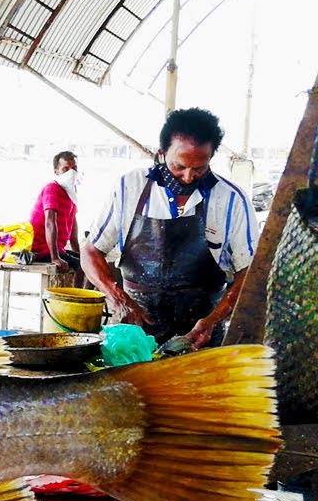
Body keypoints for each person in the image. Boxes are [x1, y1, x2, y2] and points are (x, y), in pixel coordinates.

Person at [81, 108, 257, 347]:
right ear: (162, 154)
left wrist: (214, 320)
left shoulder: (232, 199)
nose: (188, 177)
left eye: (199, 169)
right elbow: (91, 251)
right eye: (179, 166)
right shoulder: (128, 187)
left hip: (200, 337)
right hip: (133, 334)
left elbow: (250, 273)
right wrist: (118, 299)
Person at [29, 150, 83, 286]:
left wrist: (77, 251)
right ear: (56, 171)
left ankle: (79, 296)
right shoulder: (52, 188)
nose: (71, 172)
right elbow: (49, 223)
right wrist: (55, 258)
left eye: (74, 168)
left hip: (56, 249)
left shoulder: (70, 191)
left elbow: (73, 224)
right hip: (41, 249)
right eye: (65, 169)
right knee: (84, 267)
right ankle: (76, 298)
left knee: (88, 261)